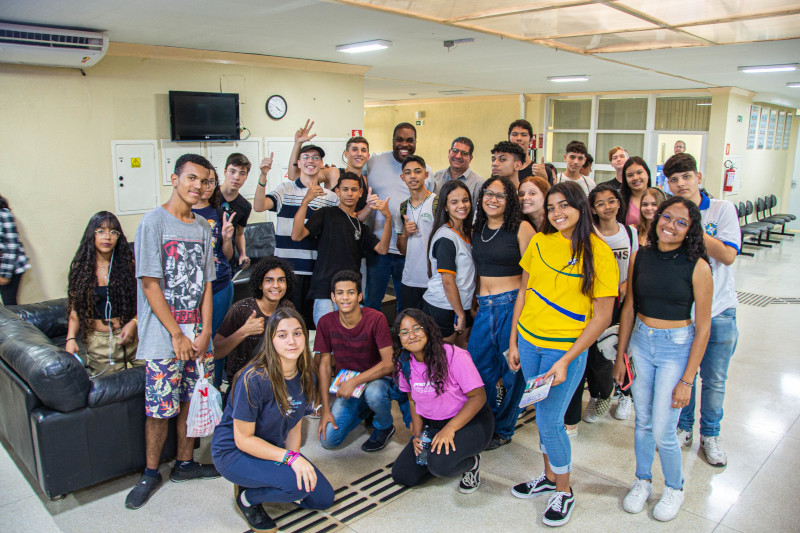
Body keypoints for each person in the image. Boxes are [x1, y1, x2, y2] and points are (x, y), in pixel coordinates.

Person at [507, 181, 618, 527]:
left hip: (564, 350)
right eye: (551, 207)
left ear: (581, 207)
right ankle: (548, 477)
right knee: (542, 413)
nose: (556, 213)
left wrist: (567, 359)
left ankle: (565, 490)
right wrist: (513, 342)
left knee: (551, 422)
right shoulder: (540, 242)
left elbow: (602, 316)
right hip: (528, 342)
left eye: (563, 206)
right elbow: (524, 292)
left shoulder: (599, 253)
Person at [125, 154, 219, 510]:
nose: (197, 186)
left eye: (204, 181)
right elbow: (150, 285)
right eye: (191, 178)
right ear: (174, 178)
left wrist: (205, 331)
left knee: (191, 400)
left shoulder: (203, 227)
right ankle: (150, 473)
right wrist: (177, 335)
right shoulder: (153, 223)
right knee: (159, 407)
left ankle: (185, 463)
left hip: (198, 334)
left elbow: (208, 284)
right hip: (165, 336)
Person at [614, 196, 712, 522]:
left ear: (690, 230)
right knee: (641, 422)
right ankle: (642, 480)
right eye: (666, 217)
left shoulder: (698, 266)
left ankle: (675, 486)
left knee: (663, 430)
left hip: (676, 348)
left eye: (680, 222)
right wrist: (620, 355)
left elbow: (704, 327)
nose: (670, 225)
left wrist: (687, 379)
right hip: (642, 343)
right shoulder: (641, 256)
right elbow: (629, 308)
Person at [211, 308, 334, 533]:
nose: (291, 341)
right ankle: (248, 497)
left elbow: (295, 425)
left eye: (297, 333)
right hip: (234, 452)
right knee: (296, 487)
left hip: (271, 446)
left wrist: (294, 458)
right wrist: (289, 460)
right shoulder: (253, 379)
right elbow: (244, 440)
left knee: (323, 498)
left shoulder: (308, 375)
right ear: (271, 340)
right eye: (282, 335)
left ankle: (267, 478)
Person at [667, 153, 741, 467]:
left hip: (720, 311)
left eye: (686, 177)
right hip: (684, 312)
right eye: (674, 179)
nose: (681, 184)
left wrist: (692, 226)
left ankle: (710, 435)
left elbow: (727, 255)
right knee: (686, 376)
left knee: (714, 379)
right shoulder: (670, 215)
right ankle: (684, 428)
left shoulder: (723, 210)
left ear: (698, 177)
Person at [390, 309, 493, 493]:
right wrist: (418, 434)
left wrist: (450, 429)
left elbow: (478, 397)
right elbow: (412, 399)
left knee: (441, 466)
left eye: (416, 329)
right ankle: (437, 456)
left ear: (428, 329)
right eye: (404, 332)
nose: (411, 336)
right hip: (434, 424)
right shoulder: (404, 362)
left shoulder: (454, 356)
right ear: (399, 338)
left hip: (470, 422)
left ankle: (471, 463)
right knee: (403, 475)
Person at [565, 183, 638, 430]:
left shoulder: (630, 233)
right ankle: (599, 394)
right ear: (592, 209)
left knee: (618, 348)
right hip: (594, 301)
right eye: (600, 203)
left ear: (619, 203)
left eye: (611, 201)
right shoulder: (589, 233)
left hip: (621, 301)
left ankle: (625, 394)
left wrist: (626, 285)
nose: (607, 206)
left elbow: (635, 265)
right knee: (595, 352)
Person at [470, 176, 535, 450]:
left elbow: (531, 279)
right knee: (477, 370)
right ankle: (485, 424)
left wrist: (522, 316)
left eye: (500, 195)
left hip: (511, 307)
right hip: (484, 309)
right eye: (489, 193)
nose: (493, 199)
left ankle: (504, 427)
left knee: (511, 373)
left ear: (510, 202)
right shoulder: (477, 229)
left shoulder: (522, 228)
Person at [292, 172, 392, 326]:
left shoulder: (360, 227)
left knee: (351, 340)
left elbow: (382, 249)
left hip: (351, 292)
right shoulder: (326, 214)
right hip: (325, 290)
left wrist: (388, 219)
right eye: (345, 189)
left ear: (360, 193)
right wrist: (305, 202)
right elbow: (297, 236)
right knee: (326, 342)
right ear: (337, 192)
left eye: (353, 189)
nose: (349, 193)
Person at [253, 145, 338, 326]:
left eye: (315, 158)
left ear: (321, 163)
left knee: (311, 325)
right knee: (287, 322)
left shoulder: (330, 197)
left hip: (317, 271)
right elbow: (259, 206)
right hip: (288, 270)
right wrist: (262, 176)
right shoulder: (285, 189)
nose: (311, 161)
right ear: (298, 163)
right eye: (306, 157)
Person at [315, 270, 398, 452]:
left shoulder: (376, 318)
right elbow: (324, 365)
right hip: (348, 381)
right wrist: (326, 408)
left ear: (360, 296)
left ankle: (384, 426)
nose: (345, 298)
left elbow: (389, 363)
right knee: (328, 441)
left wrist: (354, 381)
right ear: (333, 297)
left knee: (374, 394)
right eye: (340, 293)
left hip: (377, 378)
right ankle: (366, 410)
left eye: (351, 292)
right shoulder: (325, 322)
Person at [363, 123, 430, 312]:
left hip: (409, 249)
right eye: (399, 139)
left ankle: (404, 339)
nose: (404, 144)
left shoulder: (426, 171)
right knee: (373, 301)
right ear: (392, 141)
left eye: (409, 140)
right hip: (378, 246)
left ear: (416, 142)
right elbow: (351, 176)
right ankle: (372, 340)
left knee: (406, 303)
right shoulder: (375, 162)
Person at [65, 212, 140, 375]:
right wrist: (71, 338)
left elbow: (145, 299)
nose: (107, 237)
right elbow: (75, 309)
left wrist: (134, 322)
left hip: (132, 336)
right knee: (112, 395)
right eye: (101, 231)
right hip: (99, 343)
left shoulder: (129, 265)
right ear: (91, 234)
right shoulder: (80, 268)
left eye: (113, 232)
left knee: (154, 381)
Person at [214, 257, 296, 383]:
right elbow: (216, 352)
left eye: (281, 280)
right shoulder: (242, 309)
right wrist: (244, 332)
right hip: (244, 382)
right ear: (260, 284)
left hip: (277, 380)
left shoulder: (287, 308)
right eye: (269, 280)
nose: (276, 285)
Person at [192, 168, 236, 387]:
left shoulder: (219, 213)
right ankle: (194, 387)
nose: (206, 186)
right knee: (195, 339)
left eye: (211, 182)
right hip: (191, 290)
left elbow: (226, 256)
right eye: (202, 181)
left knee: (214, 340)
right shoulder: (183, 213)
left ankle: (214, 387)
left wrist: (227, 238)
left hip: (219, 285)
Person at [421, 180, 475, 345]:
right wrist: (460, 314)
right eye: (454, 202)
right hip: (444, 308)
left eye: (465, 200)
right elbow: (448, 281)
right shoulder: (446, 237)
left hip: (460, 305)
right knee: (443, 360)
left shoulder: (465, 232)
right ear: (445, 206)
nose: (462, 205)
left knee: (459, 357)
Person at [286, 120, 371, 215]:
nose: (359, 153)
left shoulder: (365, 181)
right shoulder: (333, 173)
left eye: (363, 150)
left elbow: (354, 216)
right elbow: (293, 176)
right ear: (346, 154)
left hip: (355, 228)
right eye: (354, 149)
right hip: (331, 228)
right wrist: (298, 143)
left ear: (367, 156)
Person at [396, 155, 437, 311]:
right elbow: (402, 250)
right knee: (412, 325)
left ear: (426, 175)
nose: (412, 176)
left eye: (417, 171)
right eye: (408, 172)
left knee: (433, 328)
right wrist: (405, 234)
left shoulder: (437, 203)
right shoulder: (402, 208)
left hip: (434, 280)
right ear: (402, 177)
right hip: (410, 280)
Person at [219, 153, 253, 271]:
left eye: (242, 173)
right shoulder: (208, 196)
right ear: (225, 172)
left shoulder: (245, 206)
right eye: (232, 171)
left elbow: (239, 233)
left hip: (227, 259)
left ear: (246, 177)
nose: (236, 177)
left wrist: (242, 254)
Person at [427, 136, 484, 204]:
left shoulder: (478, 183)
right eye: (455, 151)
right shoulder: (437, 176)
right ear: (449, 152)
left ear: (470, 158)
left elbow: (477, 212)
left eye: (464, 153)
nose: (458, 156)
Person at [0, 194, 30, 305]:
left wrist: (5, 274)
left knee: (9, 305)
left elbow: (12, 245)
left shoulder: (4, 214)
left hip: (10, 265)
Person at [621, 156, 653, 226]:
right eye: (630, 175)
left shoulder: (658, 198)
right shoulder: (620, 202)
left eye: (639, 172)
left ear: (647, 174)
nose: (635, 178)